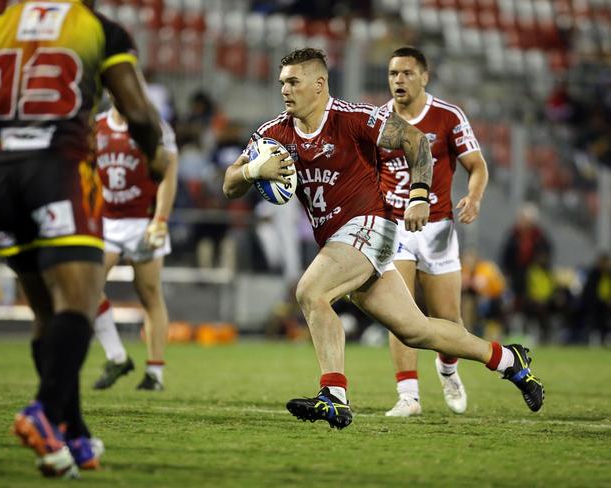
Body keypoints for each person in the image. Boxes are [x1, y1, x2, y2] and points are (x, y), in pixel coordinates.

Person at [222, 48, 544, 430]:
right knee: (416, 330)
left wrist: (420, 193)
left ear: (319, 84)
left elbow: (416, 142)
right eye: (282, 83)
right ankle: (510, 361)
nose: (285, 90)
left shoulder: (353, 119)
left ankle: (334, 395)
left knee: (310, 291)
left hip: (372, 225)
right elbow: (229, 184)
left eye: (293, 82)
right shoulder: (274, 133)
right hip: (339, 242)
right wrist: (253, 170)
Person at [0, 0, 164, 477]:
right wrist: (154, 155)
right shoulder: (98, 29)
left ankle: (71, 432)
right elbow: (136, 111)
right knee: (80, 299)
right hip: (59, 171)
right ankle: (43, 411)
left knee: (46, 312)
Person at [377, 46, 489, 417]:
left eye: (407, 73)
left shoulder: (447, 116)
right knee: (400, 313)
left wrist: (473, 198)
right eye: (394, 74)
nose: (399, 80)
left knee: (448, 320)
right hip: (393, 226)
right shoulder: (378, 120)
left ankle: (448, 368)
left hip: (438, 227)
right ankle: (408, 395)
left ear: (424, 76)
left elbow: (477, 165)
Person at [92, 105, 178, 391]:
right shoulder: (96, 126)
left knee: (149, 293)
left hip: (143, 220)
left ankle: (155, 374)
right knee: (86, 286)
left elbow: (168, 172)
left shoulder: (152, 125)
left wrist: (161, 219)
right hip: (105, 221)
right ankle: (116, 355)